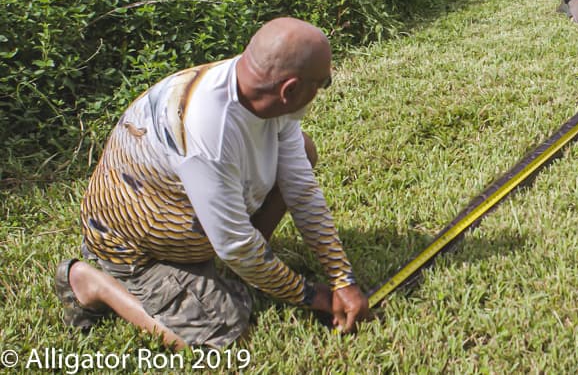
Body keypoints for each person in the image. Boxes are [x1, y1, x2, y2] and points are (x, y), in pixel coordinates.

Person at [54, 17, 370, 349]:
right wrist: (315, 296)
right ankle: (93, 284)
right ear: (290, 89)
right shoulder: (207, 131)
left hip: (192, 220)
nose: (322, 90)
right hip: (136, 247)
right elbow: (234, 244)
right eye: (323, 83)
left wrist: (341, 278)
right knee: (223, 331)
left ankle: (245, 265)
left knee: (302, 151)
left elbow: (300, 187)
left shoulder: (262, 90)